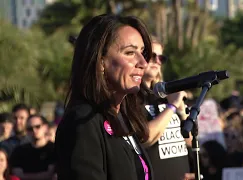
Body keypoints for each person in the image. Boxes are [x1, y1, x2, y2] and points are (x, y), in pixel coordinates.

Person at [55, 14, 154, 180]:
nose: (143, 63)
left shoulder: (122, 116)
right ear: (101, 62)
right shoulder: (83, 121)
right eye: (130, 52)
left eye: (142, 52)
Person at [142, 36, 191, 180]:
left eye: (161, 58)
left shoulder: (168, 93)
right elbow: (146, 138)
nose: (157, 61)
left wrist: (182, 111)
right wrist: (172, 106)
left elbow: (190, 140)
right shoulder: (133, 97)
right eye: (152, 55)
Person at [11, 115, 55, 179]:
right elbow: (17, 174)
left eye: (37, 126)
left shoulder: (53, 149)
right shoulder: (19, 151)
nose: (34, 130)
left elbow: (50, 174)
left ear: (45, 127)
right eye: (30, 129)